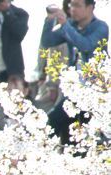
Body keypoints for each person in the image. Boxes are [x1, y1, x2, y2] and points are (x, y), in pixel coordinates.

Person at [42, 0, 109, 144]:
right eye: (71, 5)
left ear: (90, 7)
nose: (73, 9)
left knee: (85, 138)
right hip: (75, 91)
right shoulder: (71, 25)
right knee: (52, 123)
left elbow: (86, 45)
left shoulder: (101, 27)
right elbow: (47, 41)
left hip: (94, 93)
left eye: (78, 5)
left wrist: (65, 24)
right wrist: (49, 21)